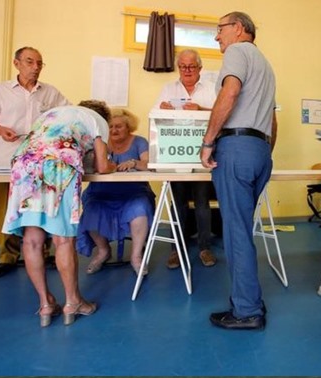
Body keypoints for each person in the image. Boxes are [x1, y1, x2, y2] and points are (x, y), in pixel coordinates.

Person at [2, 100, 117, 327]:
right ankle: (73, 302)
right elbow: (102, 166)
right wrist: (114, 165)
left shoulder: (52, 114)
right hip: (58, 166)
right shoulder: (98, 121)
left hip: (23, 164)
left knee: (32, 240)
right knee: (62, 239)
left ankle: (45, 303)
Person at [200, 11, 277, 330]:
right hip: (259, 149)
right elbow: (273, 120)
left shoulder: (237, 51)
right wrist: (260, 152)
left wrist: (208, 142)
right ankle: (250, 301)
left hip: (237, 147)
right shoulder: (265, 65)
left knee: (236, 232)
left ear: (239, 29)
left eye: (220, 29)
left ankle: (247, 310)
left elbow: (228, 93)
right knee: (242, 228)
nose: (217, 36)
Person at [0, 46, 70, 279]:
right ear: (16, 63)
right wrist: (1, 130)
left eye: (40, 63)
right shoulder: (1, 90)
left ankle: (43, 251)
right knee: (5, 206)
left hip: (41, 160)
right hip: (7, 158)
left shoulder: (50, 92)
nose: (36, 67)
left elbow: (67, 114)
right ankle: (7, 257)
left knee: (41, 205)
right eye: (30, 62)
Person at [154, 49, 218, 269]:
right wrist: (162, 109)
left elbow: (223, 115)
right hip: (176, 155)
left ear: (200, 67)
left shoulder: (211, 89)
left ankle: (204, 247)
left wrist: (201, 109)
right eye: (183, 66)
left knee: (202, 202)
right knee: (178, 203)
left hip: (202, 154)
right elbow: (155, 117)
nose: (187, 70)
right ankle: (175, 249)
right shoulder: (168, 88)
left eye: (191, 66)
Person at [76, 108, 155, 275]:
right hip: (101, 194)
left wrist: (134, 163)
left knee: (140, 209)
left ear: (129, 127)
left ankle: (136, 256)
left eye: (119, 126)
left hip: (133, 193)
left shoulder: (139, 142)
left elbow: (150, 164)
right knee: (91, 210)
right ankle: (103, 251)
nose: (113, 130)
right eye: (110, 127)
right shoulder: (100, 142)